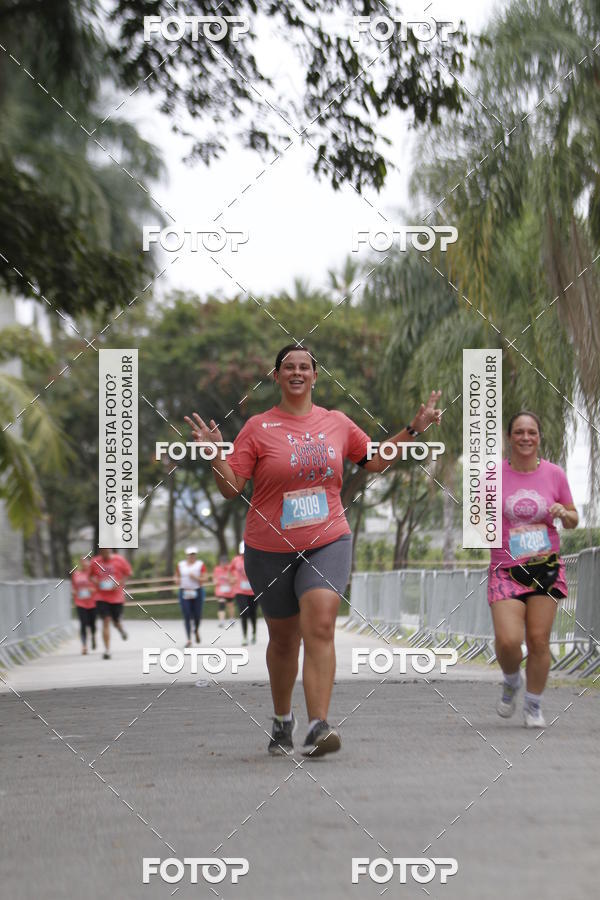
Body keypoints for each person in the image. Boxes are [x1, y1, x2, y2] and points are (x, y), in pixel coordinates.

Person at [185, 344, 442, 757]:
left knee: (320, 623)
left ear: (316, 376)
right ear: (277, 376)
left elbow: (374, 460)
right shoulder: (258, 427)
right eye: (289, 367)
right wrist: (215, 454)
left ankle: (319, 724)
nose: (297, 372)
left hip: (328, 539)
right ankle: (283, 720)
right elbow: (232, 488)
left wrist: (413, 429)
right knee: (284, 640)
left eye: (305, 367)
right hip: (268, 549)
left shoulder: (337, 422)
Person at [488, 411, 578, 728]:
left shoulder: (554, 474)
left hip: (545, 566)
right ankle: (512, 679)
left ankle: (534, 705)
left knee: (539, 640)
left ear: (539, 437)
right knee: (509, 641)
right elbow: (476, 518)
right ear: (510, 437)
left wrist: (562, 512)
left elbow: (573, 517)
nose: (526, 437)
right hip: (505, 568)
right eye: (519, 432)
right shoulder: (492, 475)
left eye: (532, 432)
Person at [89, 548, 132, 660]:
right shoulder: (95, 562)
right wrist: (96, 582)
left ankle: (121, 629)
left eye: (107, 551)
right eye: (102, 551)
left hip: (116, 597)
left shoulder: (119, 560)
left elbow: (128, 573)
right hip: (101, 596)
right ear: (100, 552)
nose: (105, 554)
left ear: (110, 551)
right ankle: (107, 650)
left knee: (116, 621)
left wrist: (119, 583)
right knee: (106, 620)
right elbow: (90, 576)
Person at [174, 547, 207, 647]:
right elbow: (176, 576)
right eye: (190, 554)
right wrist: (176, 580)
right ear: (187, 555)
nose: (192, 556)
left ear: (195, 555)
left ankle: (196, 630)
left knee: (197, 615)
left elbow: (205, 578)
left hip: (197, 591)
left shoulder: (200, 564)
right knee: (187, 615)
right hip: (184, 592)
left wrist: (196, 577)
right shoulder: (181, 565)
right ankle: (188, 639)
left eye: (193, 554)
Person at [230, 542, 258, 646]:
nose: (243, 555)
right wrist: (231, 578)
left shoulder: (254, 559)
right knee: (243, 611)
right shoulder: (236, 560)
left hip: (253, 590)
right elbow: (230, 570)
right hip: (240, 590)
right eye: (242, 553)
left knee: (252, 613)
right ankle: (245, 636)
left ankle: (254, 633)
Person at [71, 556, 97, 654]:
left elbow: (98, 588)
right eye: (82, 562)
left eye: (86, 562)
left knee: (92, 624)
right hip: (80, 602)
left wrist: (92, 590)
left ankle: (93, 636)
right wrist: (73, 592)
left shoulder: (93, 575)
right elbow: (74, 587)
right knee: (83, 624)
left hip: (92, 602)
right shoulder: (76, 574)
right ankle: (84, 646)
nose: (84, 564)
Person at [213, 554, 235, 627]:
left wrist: (229, 578)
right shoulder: (217, 569)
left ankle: (231, 619)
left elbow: (233, 580)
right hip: (220, 591)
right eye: (222, 562)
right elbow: (215, 578)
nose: (223, 564)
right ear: (220, 562)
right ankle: (221, 621)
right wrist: (215, 581)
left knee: (230, 605)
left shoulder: (230, 569)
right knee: (221, 605)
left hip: (229, 591)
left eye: (225, 562)